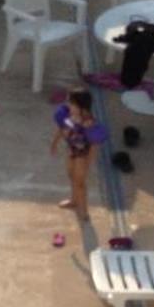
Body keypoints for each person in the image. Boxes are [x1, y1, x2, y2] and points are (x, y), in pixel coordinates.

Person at [50, 89, 109, 220]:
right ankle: (74, 201)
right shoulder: (71, 116)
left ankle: (84, 211)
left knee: (80, 183)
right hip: (71, 151)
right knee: (71, 176)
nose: (68, 106)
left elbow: (94, 145)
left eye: (71, 103)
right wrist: (54, 143)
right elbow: (62, 129)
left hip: (82, 156)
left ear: (80, 106)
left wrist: (89, 162)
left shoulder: (89, 124)